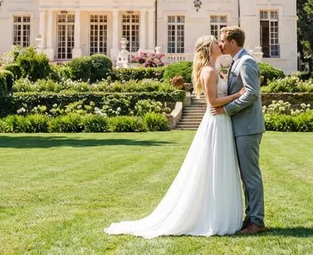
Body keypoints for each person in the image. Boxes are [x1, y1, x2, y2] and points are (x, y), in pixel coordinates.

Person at [104, 35, 245, 238]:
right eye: (216, 41)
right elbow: (213, 101)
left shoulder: (216, 70)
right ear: (208, 48)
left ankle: (221, 213)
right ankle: (212, 217)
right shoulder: (207, 71)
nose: (219, 43)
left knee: (220, 166)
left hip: (222, 122)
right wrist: (237, 95)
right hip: (216, 121)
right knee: (213, 166)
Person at [211, 26, 267, 235]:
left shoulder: (247, 62)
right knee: (246, 176)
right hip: (240, 127)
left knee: (251, 176)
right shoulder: (236, 61)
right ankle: (250, 218)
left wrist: (226, 109)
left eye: (223, 40)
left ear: (233, 42)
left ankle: (257, 221)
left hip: (248, 128)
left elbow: (252, 94)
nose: (220, 44)